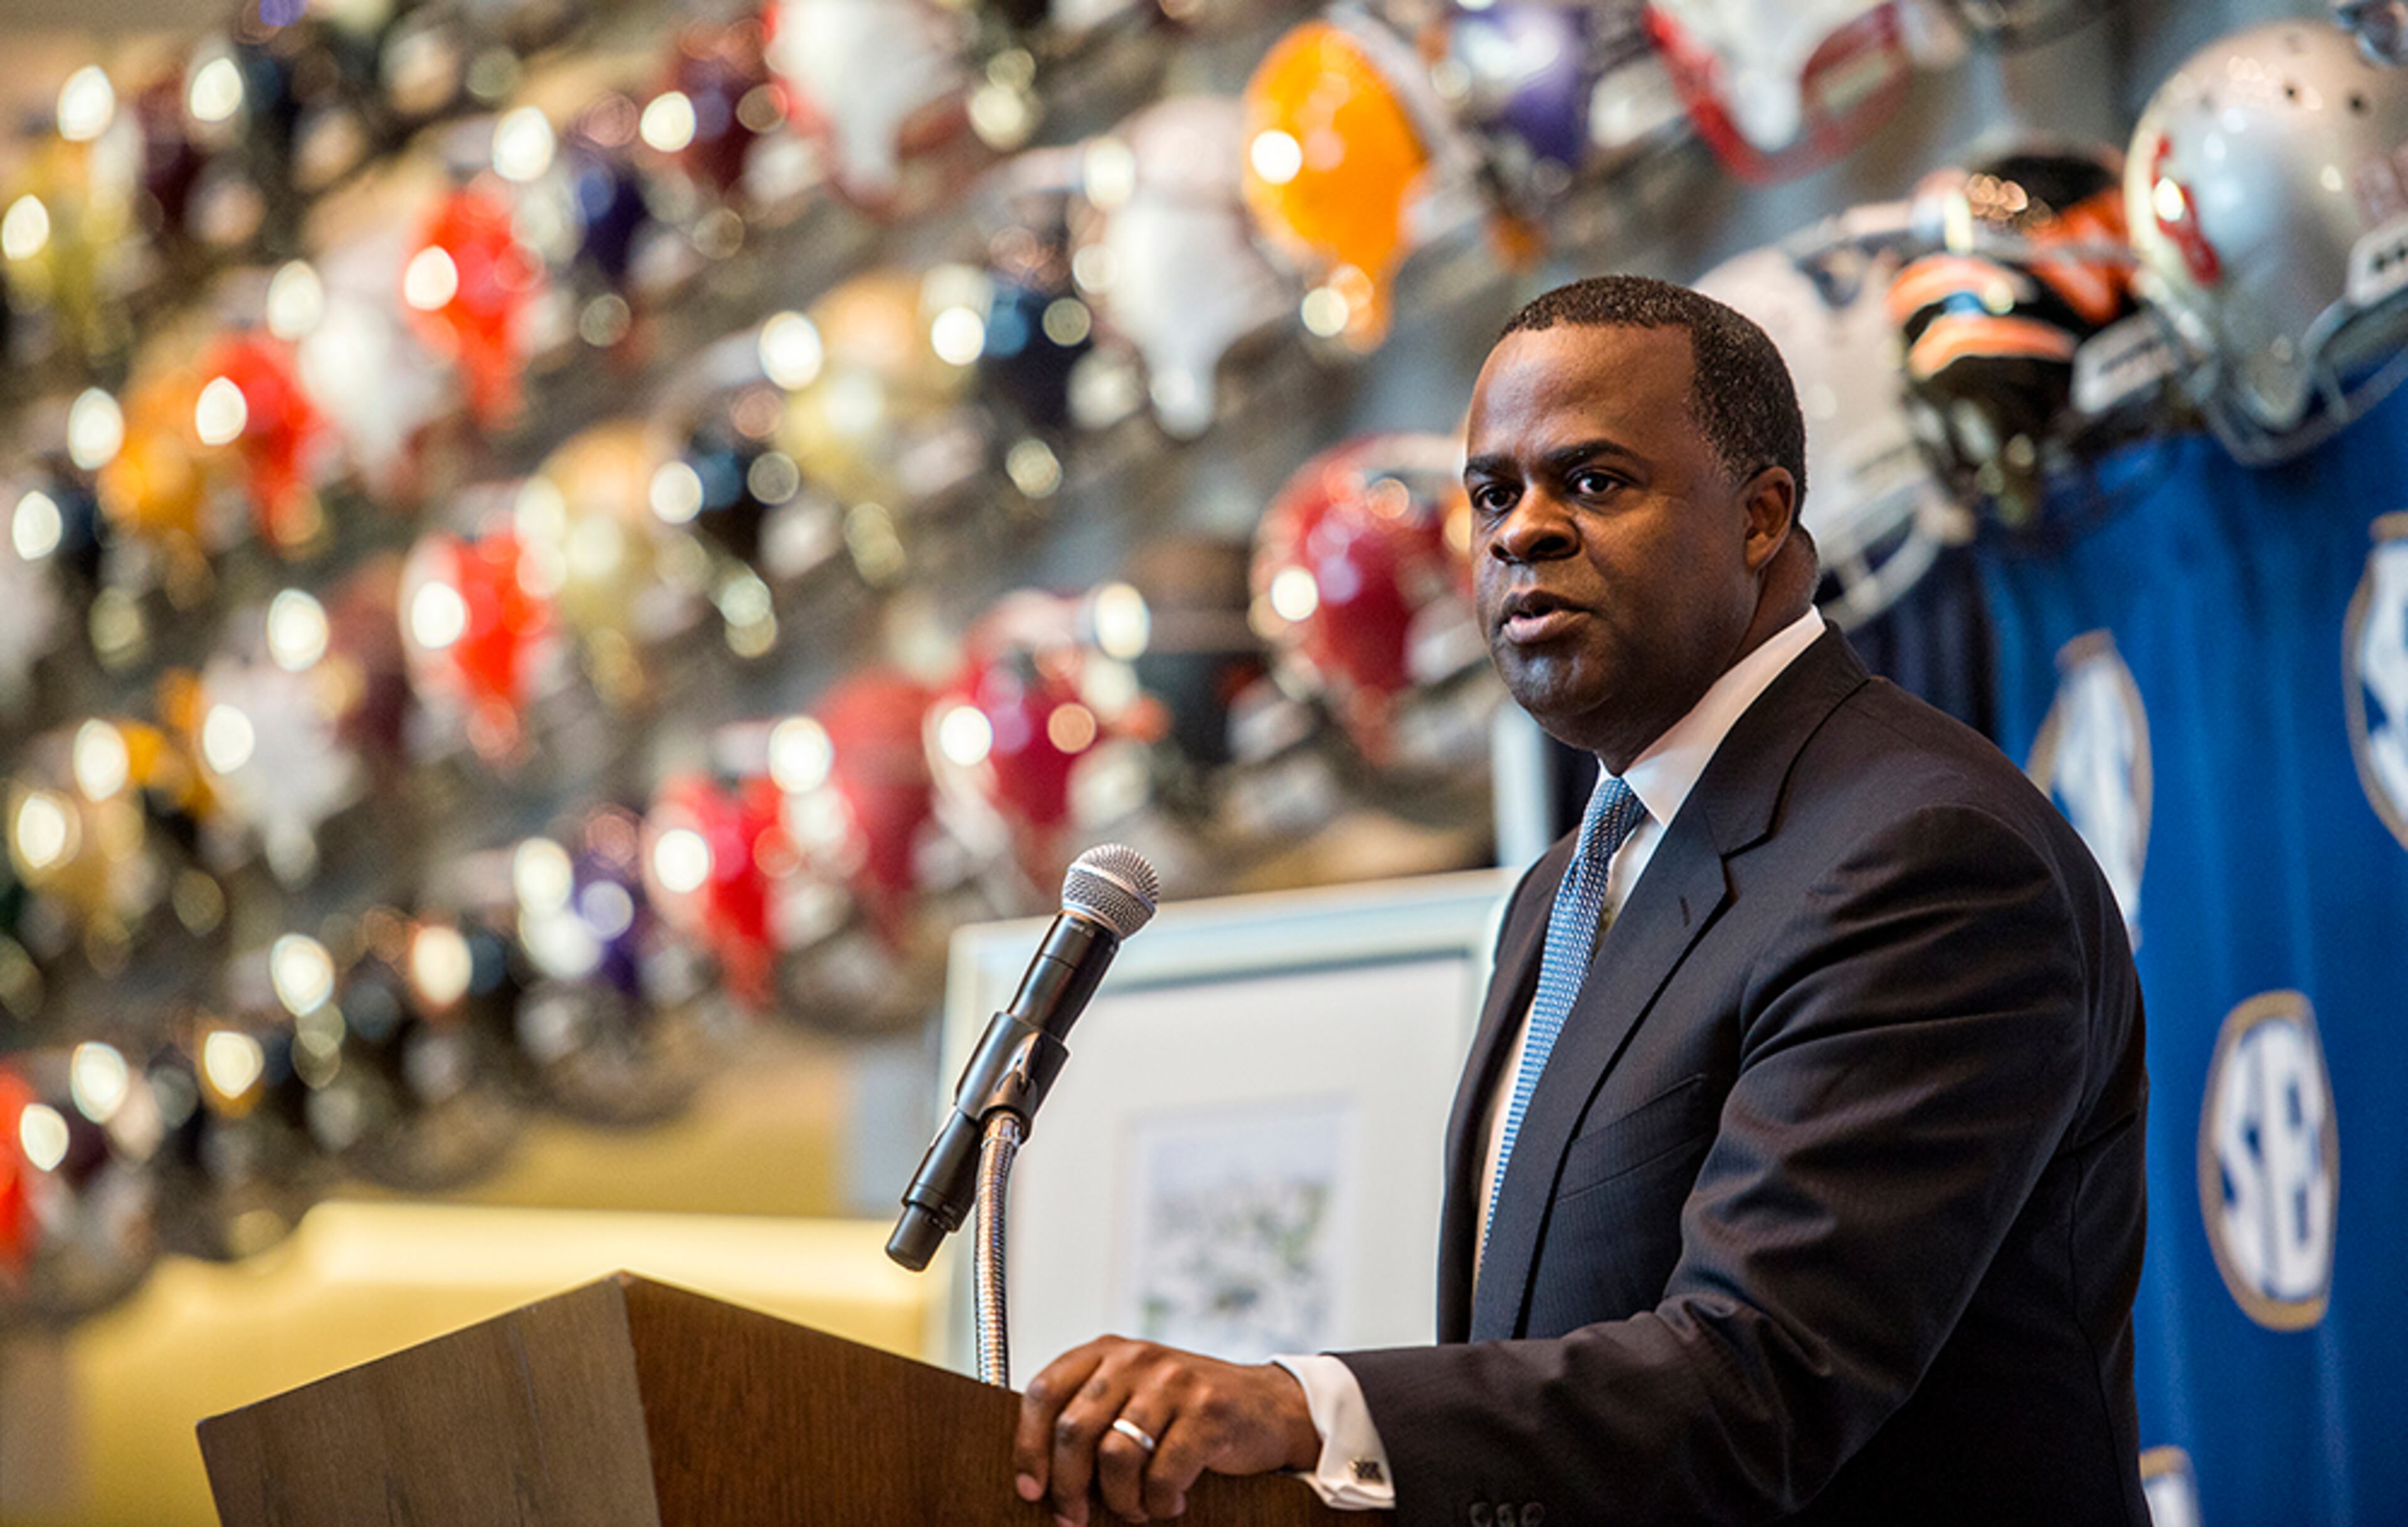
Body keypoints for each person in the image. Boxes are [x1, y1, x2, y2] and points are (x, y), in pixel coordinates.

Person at [1012, 275, 2149, 1526]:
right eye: (1494, 493)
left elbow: (1758, 1380)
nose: (1520, 533)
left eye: (1593, 483)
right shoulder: (1569, 886)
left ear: (1762, 516)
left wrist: (1310, 1406)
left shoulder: (1918, 854)